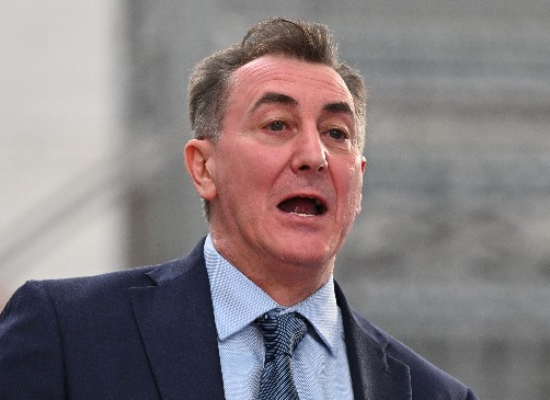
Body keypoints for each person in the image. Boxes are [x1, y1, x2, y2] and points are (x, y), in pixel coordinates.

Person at [0, 18, 478, 400]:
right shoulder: (66, 334)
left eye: (337, 133)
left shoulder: (433, 394)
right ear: (204, 168)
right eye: (277, 125)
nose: (314, 155)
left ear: (359, 179)